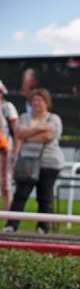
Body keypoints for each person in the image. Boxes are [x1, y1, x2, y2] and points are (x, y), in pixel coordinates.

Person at [3, 88, 64, 234]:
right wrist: (39, 129)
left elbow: (48, 136)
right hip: (27, 163)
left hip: (49, 163)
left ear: (46, 102)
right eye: (34, 100)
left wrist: (28, 135)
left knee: (44, 197)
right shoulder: (24, 117)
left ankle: (42, 227)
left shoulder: (54, 118)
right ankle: (11, 225)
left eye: (40, 100)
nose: (37, 103)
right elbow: (18, 133)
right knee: (20, 195)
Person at [0, 80, 18, 209]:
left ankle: (10, 220)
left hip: (4, 150)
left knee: (6, 185)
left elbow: (16, 131)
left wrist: (16, 151)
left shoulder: (7, 107)